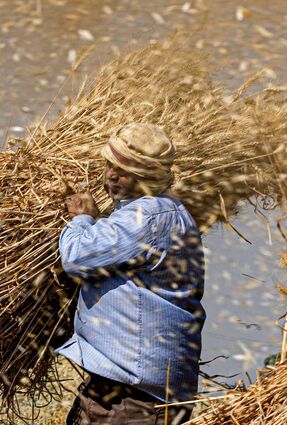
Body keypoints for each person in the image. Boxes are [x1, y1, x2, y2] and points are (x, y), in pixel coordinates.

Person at [56, 123, 206, 425]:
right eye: (110, 165)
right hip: (124, 388)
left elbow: (76, 257)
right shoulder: (154, 213)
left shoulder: (149, 216)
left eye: (123, 170)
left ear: (148, 177)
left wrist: (83, 218)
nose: (111, 176)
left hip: (134, 397)